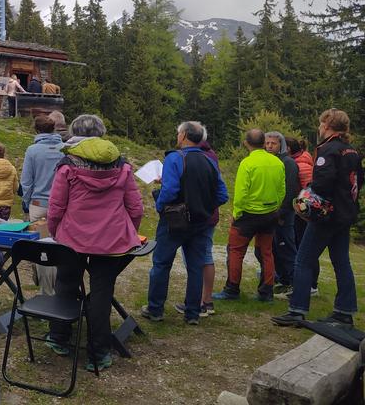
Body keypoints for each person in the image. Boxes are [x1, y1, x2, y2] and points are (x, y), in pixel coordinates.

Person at [46, 134, 143, 371]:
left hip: (72, 237)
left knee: (66, 283)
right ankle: (99, 352)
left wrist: (55, 231)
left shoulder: (67, 167)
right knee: (102, 293)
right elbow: (135, 206)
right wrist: (129, 231)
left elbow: (56, 206)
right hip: (111, 239)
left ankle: (59, 336)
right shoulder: (123, 167)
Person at [273, 109, 363, 327]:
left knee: (303, 260)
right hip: (345, 213)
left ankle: (297, 310)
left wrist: (309, 191)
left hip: (326, 215)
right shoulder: (352, 151)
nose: (319, 128)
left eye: (321, 124)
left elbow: (322, 182)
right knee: (342, 262)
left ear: (327, 125)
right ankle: (344, 311)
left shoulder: (327, 150)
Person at [142, 121, 228, 325]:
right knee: (196, 267)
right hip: (201, 222)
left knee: (161, 264)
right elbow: (222, 195)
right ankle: (192, 313)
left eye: (178, 133)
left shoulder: (174, 158)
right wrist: (205, 206)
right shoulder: (210, 161)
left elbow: (170, 190)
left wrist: (161, 207)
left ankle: (155, 309)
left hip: (174, 221)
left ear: (183, 136)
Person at [213, 129, 285, 302]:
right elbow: (282, 190)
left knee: (236, 251)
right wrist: (275, 207)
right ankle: (266, 292)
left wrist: (237, 213)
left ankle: (232, 289)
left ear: (246, 143)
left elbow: (241, 192)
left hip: (248, 215)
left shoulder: (247, 163)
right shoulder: (277, 162)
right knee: (266, 252)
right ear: (263, 142)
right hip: (270, 213)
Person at [20, 115, 64, 295]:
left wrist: (26, 201)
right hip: (60, 203)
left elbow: (26, 181)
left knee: (41, 249)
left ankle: (45, 290)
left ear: (36, 130)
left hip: (38, 203)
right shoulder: (64, 149)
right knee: (60, 246)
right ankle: (60, 286)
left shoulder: (32, 150)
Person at [255, 132, 300, 295]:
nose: (269, 146)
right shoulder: (269, 161)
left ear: (280, 145)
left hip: (283, 215)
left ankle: (294, 284)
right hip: (269, 213)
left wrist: (281, 214)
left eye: (273, 143)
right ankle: (282, 279)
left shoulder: (288, 163)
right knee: (268, 249)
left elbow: (289, 192)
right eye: (266, 143)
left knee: (286, 249)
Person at [285, 136, 319, 297]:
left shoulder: (301, 165)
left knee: (305, 247)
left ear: (288, 149)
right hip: (301, 210)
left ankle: (311, 284)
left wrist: (302, 211)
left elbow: (308, 190)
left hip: (304, 211)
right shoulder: (302, 160)